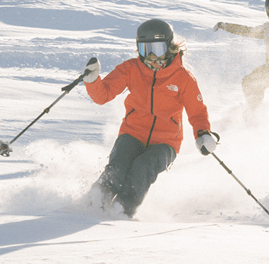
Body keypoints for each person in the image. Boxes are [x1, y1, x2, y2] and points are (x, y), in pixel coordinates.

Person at [81, 19, 218, 217]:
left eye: (158, 49)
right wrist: (93, 81)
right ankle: (91, 205)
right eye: (145, 49)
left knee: (142, 168)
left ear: (170, 47)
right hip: (132, 133)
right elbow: (103, 95)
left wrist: (203, 134)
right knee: (118, 167)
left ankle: (121, 212)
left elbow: (197, 112)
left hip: (166, 142)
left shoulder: (183, 78)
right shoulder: (131, 69)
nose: (152, 56)